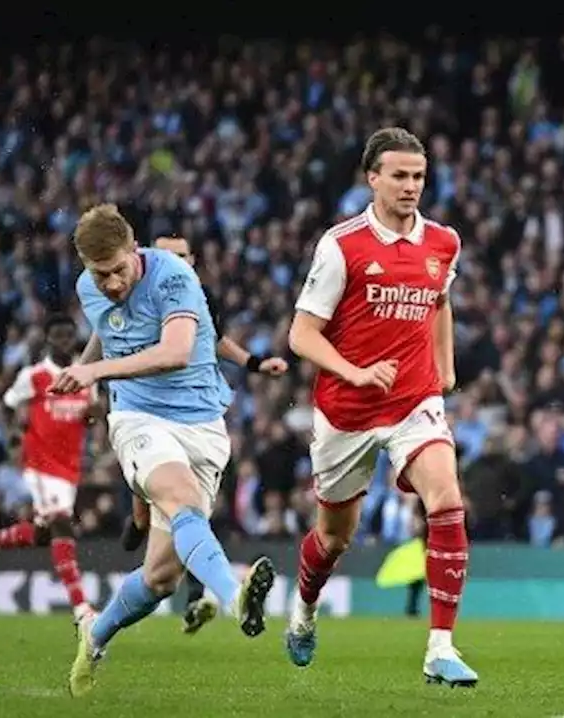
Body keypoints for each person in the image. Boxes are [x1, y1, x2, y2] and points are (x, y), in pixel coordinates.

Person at [55, 204, 276, 697]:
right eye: (99, 274)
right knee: (178, 498)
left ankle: (96, 633)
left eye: (118, 270)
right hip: (137, 418)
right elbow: (106, 331)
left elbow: (176, 352)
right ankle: (235, 597)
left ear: (135, 250)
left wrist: (93, 374)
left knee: (160, 579)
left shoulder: (175, 276)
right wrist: (85, 374)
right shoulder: (89, 287)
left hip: (201, 424)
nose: (111, 284)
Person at [284, 126, 476, 686]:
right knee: (334, 539)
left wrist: (445, 365)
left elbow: (440, 301)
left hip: (415, 399)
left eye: (418, 176)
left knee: (447, 498)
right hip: (346, 410)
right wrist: (355, 372)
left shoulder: (444, 242)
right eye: (399, 175)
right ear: (373, 179)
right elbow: (302, 333)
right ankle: (304, 611)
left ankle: (441, 646)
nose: (411, 186)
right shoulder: (341, 245)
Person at [118, 235, 290, 636]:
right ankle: (142, 518)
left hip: (197, 417)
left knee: (190, 508)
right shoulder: (135, 292)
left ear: (193, 260)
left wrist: (254, 362)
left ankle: (199, 591)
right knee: (171, 496)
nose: (175, 263)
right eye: (166, 256)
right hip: (146, 409)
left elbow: (215, 341)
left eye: (182, 257)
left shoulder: (198, 297)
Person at [0, 313, 98, 622]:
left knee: (45, 534)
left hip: (69, 468)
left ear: (74, 338)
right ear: (47, 339)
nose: (63, 341)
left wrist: (94, 415)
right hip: (40, 464)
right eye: (57, 335)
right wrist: (13, 438)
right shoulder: (35, 376)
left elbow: (89, 417)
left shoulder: (86, 376)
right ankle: (82, 608)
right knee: (62, 524)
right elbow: (4, 407)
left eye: (68, 335)